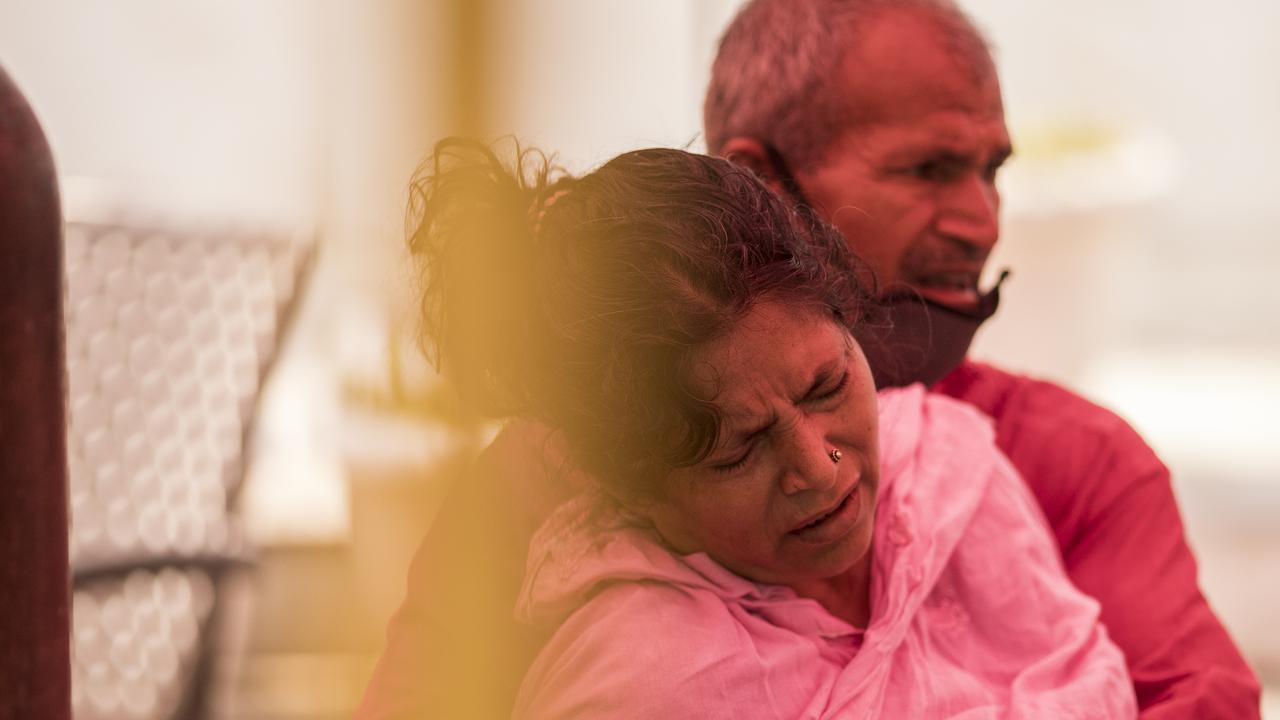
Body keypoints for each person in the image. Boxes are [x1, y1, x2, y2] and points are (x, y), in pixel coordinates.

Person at [407, 139, 1138, 719]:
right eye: (739, 451)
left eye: (829, 384)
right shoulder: (646, 685)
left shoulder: (956, 482)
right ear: (634, 490)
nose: (818, 468)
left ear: (851, 319)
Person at [701, 1, 1260, 717]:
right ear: (761, 187)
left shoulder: (1078, 469)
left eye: (990, 170)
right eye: (928, 169)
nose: (984, 223)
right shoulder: (579, 480)